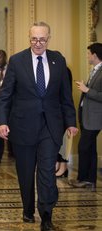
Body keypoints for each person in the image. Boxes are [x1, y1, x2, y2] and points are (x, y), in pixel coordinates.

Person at [0, 22, 78, 231]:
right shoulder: (17, 61)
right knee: (25, 172)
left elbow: (65, 95)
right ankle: (27, 208)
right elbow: (4, 96)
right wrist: (2, 122)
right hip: (22, 126)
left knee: (46, 172)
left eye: (42, 39)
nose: (38, 43)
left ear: (49, 38)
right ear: (29, 38)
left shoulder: (58, 60)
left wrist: (71, 122)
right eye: (34, 39)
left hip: (50, 127)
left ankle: (47, 213)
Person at [71, 43, 102, 191]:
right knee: (90, 149)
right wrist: (86, 87)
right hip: (87, 117)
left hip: (94, 119)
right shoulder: (95, 70)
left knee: (83, 147)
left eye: (89, 53)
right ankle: (90, 181)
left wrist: (86, 89)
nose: (87, 56)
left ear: (95, 55)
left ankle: (83, 179)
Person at [55, 67, 73, 178]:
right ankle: (58, 165)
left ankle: (63, 167)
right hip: (56, 113)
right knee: (57, 142)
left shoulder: (64, 70)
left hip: (63, 112)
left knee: (64, 142)